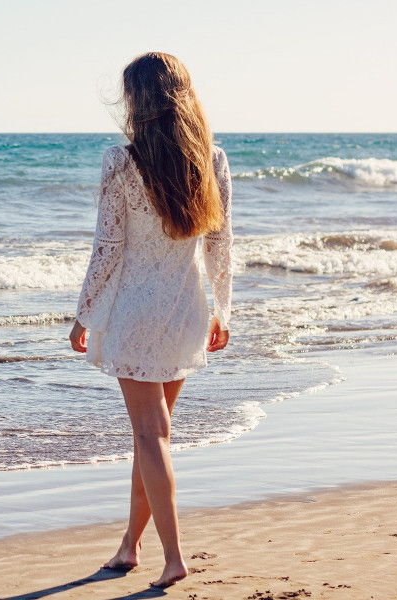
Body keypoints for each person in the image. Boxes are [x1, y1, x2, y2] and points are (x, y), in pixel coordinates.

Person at [68, 52, 233, 589]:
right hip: (186, 311)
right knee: (153, 437)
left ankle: (174, 557)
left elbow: (108, 247)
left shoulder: (121, 162)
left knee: (150, 435)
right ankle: (129, 546)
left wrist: (84, 314)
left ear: (138, 99)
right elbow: (220, 244)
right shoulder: (211, 159)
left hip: (135, 315)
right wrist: (222, 309)